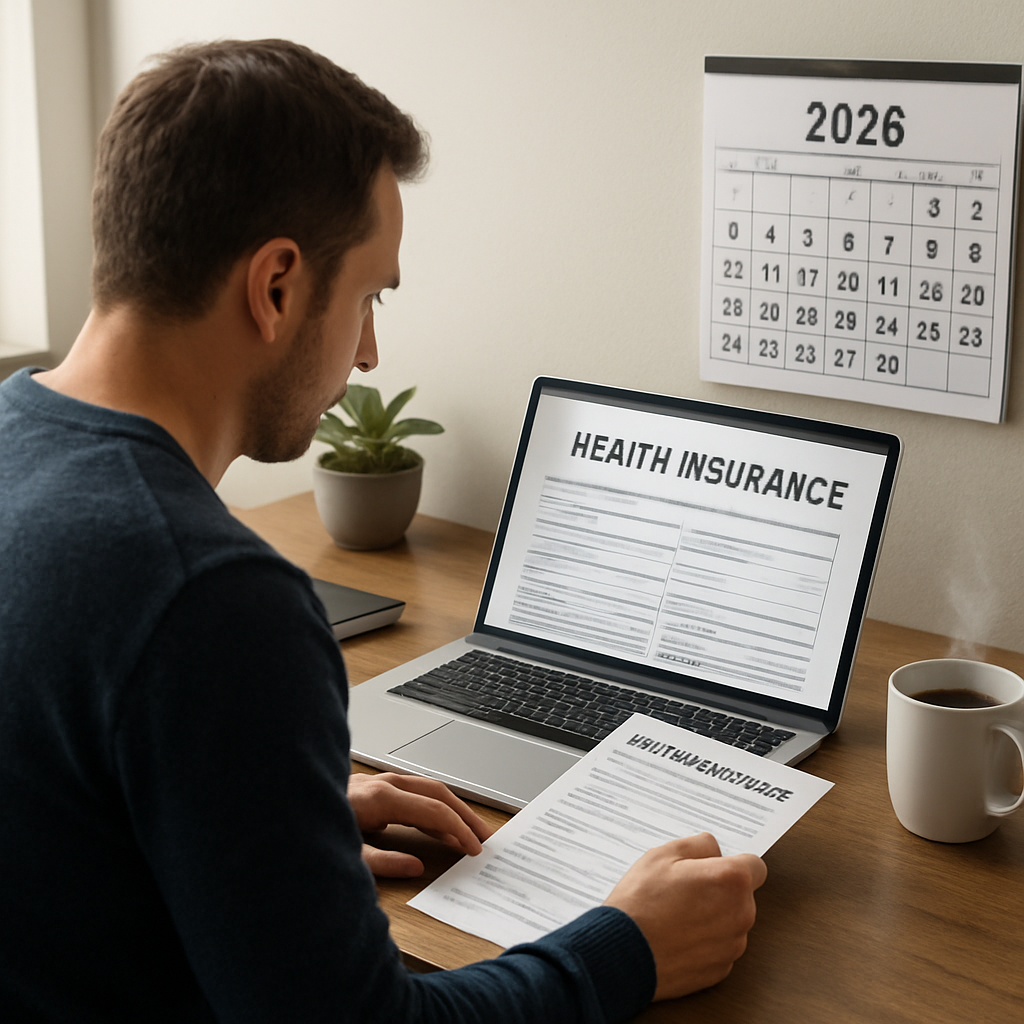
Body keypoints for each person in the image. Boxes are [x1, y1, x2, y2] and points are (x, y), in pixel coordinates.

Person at [0, 39, 766, 1023]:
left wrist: (271, 829)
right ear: (275, 286)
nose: (367, 351)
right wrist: (629, 944)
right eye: (369, 295)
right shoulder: (211, 599)